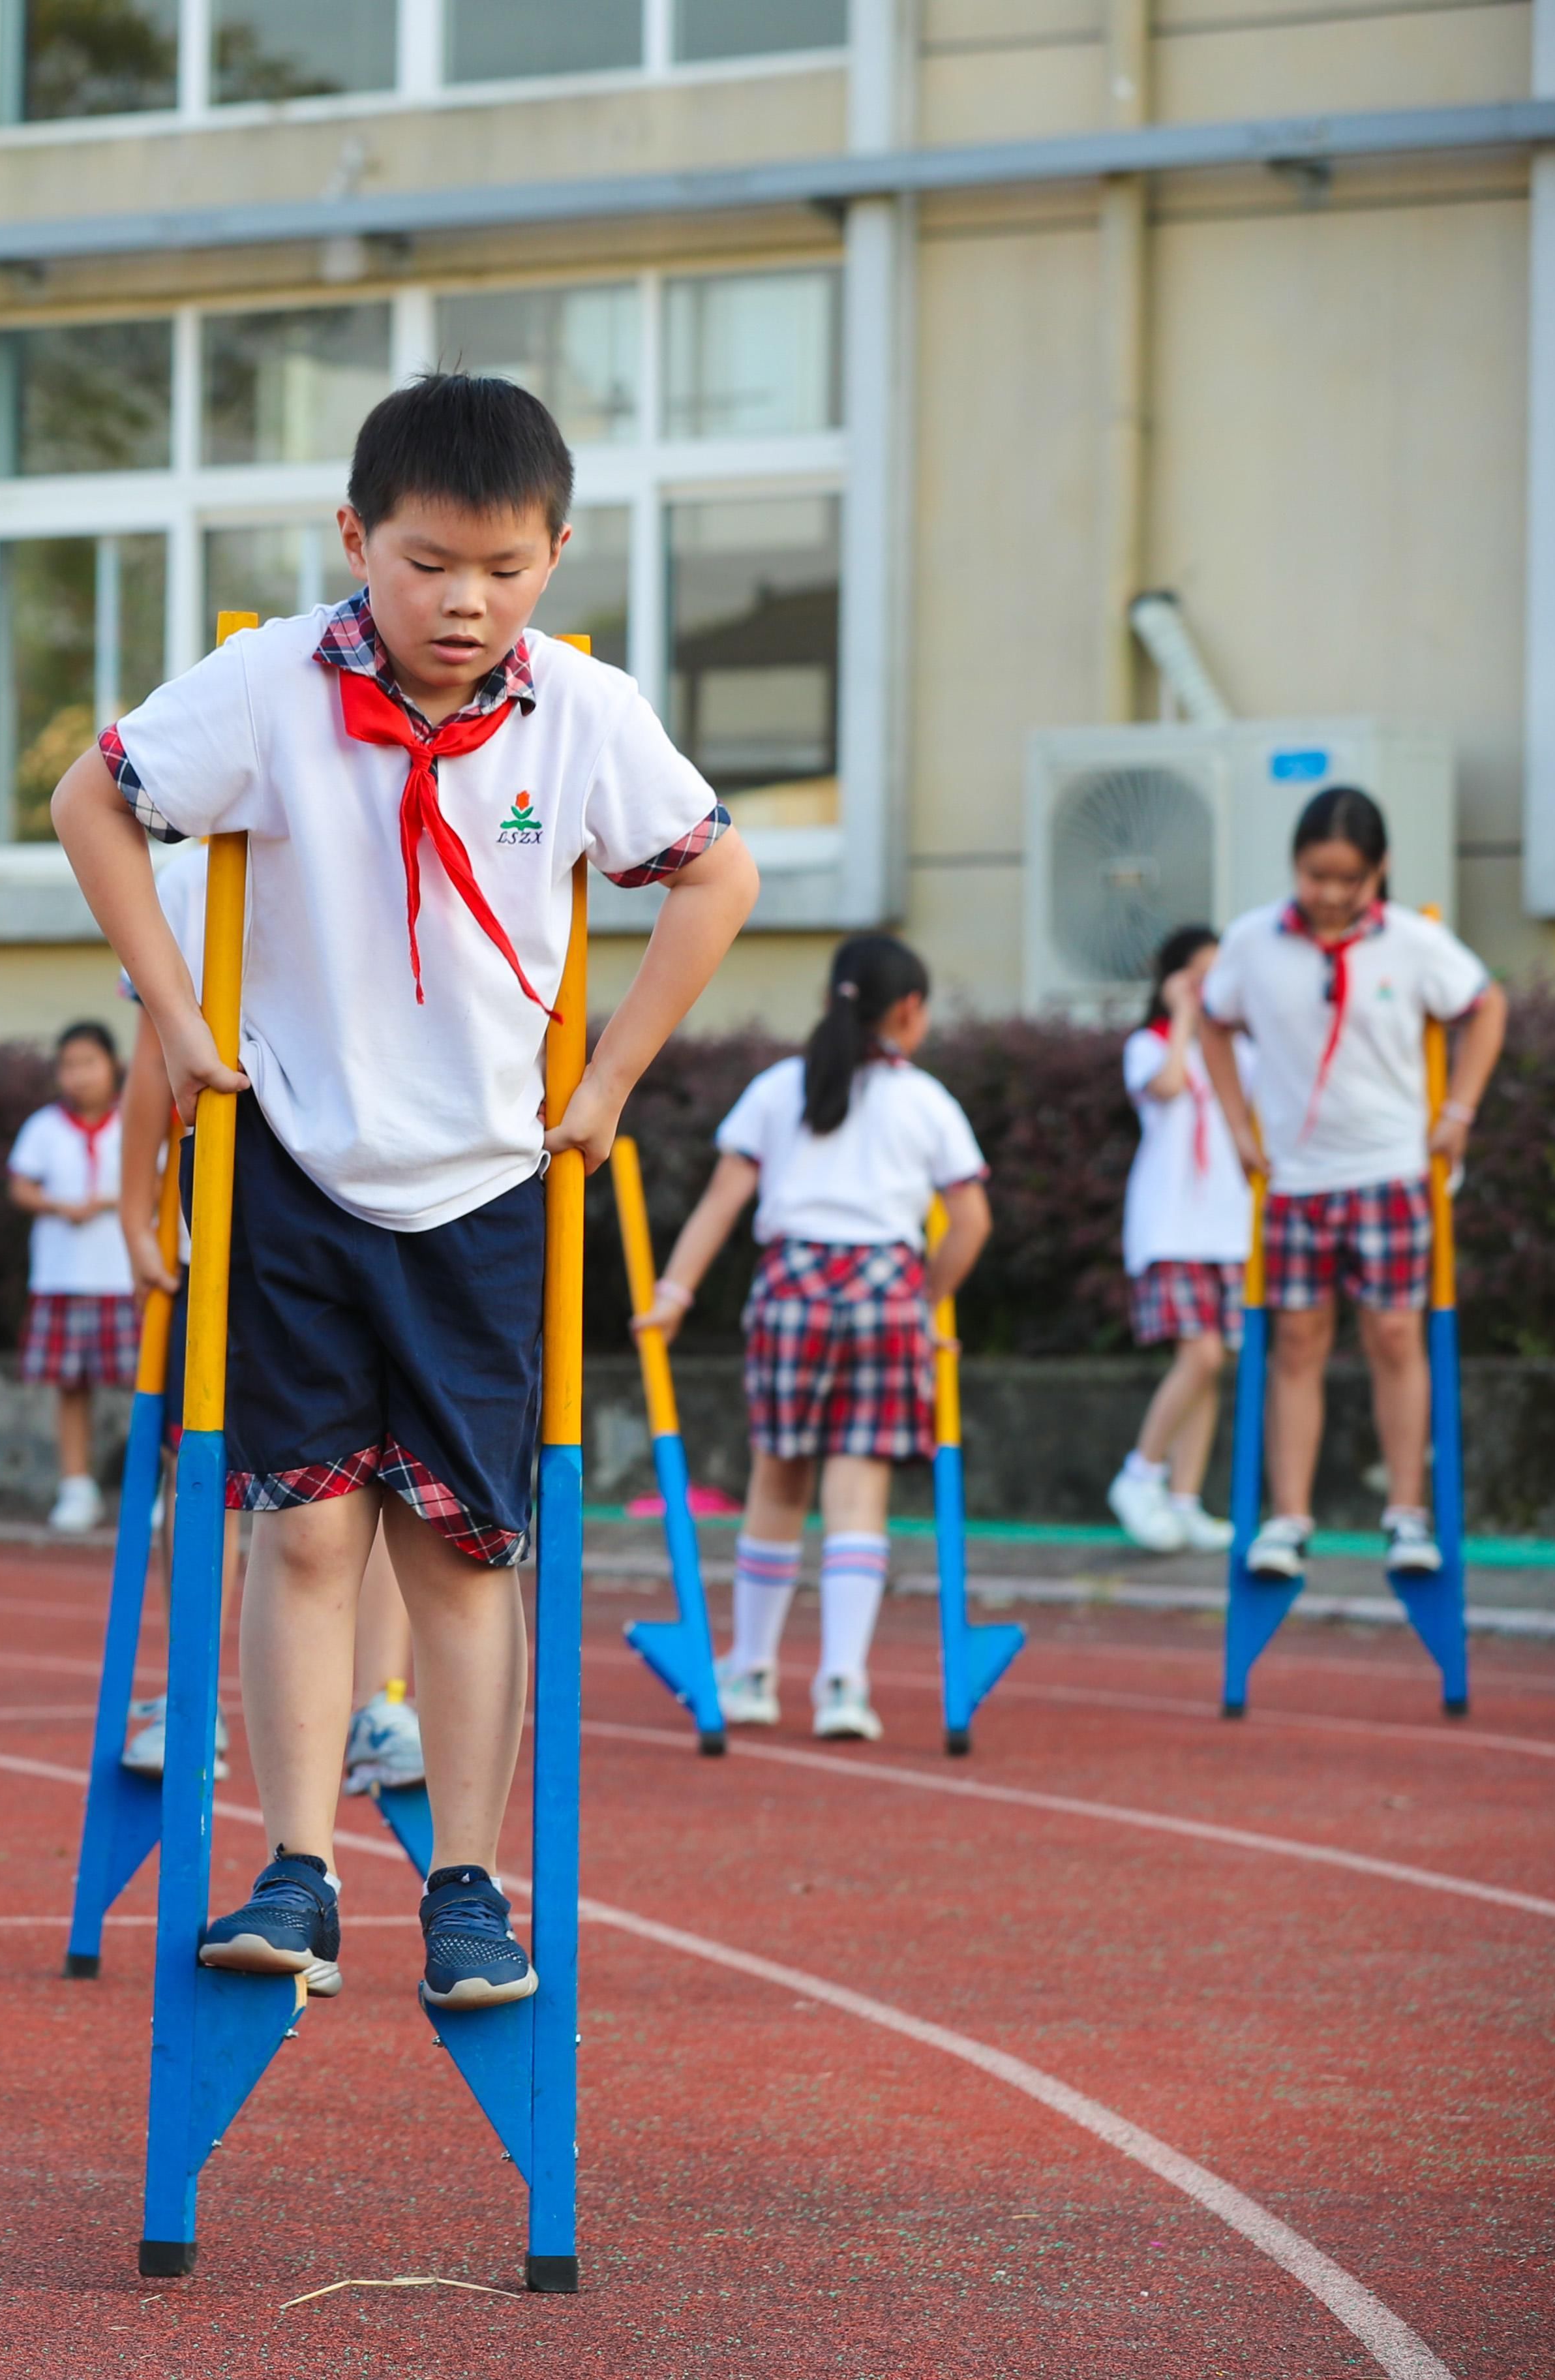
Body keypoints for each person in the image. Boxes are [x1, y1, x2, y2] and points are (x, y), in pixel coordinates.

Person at [53, 371, 757, 2008]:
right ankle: (293, 1864)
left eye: (506, 570)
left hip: (486, 1187)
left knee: (460, 1551)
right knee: (302, 1533)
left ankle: (463, 1882)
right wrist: (170, 1005)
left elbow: (714, 868)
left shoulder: (579, 712)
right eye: (427, 562)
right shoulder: (266, 687)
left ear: (555, 557)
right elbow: (94, 798)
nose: (464, 602)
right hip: (296, 1169)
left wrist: (605, 1084)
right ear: (353, 537)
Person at [112, 859, 422, 1799]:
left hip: (402, 1208)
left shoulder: (393, 822)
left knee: (393, 1479)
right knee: (211, 1467)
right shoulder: (191, 868)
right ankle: (192, 1698)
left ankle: (381, 1700)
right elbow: (151, 1059)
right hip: (251, 1220)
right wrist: (137, 1212)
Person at [641, 935, 992, 1742]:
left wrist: (673, 1293)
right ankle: (843, 1682)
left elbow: (725, 1199)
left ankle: (755, 1671)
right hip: (886, 1287)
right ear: (909, 1010)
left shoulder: (779, 1087)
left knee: (778, 1481)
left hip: (794, 1286)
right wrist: (927, 1304)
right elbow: (971, 1219)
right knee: (857, 1488)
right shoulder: (926, 1101)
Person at [1196, 786, 1503, 1579]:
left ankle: (1405, 1514)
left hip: (1390, 1171)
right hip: (1295, 1178)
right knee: (1296, 1342)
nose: (1330, 894)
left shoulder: (1412, 942)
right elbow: (1212, 1019)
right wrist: (1237, 1124)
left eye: (1348, 878)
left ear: (1379, 870)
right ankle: (1290, 1518)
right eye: (1314, 875)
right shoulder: (1253, 942)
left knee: (1395, 1335)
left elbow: (1486, 1003)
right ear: (1294, 866)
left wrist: (1460, 1109)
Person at [1107, 926, 1247, 1554]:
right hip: (1172, 1227)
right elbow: (1164, 1089)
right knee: (1203, 1357)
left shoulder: (1243, 1050)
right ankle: (1141, 1474)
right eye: (1200, 976)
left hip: (1230, 1227)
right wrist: (1186, 1013)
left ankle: (1185, 1499)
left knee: (1214, 1365)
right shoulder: (1152, 1044)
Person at [10, 1020, 138, 1534]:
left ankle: (151, 1489)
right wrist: (57, 1206)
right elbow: (21, 1186)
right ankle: (76, 1486)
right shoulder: (44, 1126)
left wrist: (109, 1202)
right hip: (62, 1276)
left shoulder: (134, 1118)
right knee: (70, 1387)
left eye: (89, 1063)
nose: (79, 1075)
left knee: (145, 1387)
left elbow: (159, 1179)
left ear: (113, 1066)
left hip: (124, 1274)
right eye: (69, 1065)